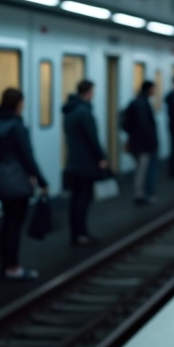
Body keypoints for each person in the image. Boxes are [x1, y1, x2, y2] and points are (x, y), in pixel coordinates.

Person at [0, 88, 48, 282]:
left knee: (6, 223)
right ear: (18, 104)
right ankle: (13, 267)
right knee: (14, 225)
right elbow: (27, 156)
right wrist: (42, 180)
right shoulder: (17, 127)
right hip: (16, 181)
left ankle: (4, 266)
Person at [62, 80, 107, 247]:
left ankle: (76, 233)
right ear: (88, 92)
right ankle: (81, 233)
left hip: (73, 161)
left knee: (75, 199)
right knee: (84, 198)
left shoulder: (70, 111)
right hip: (86, 163)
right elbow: (92, 138)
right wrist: (101, 158)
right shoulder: (84, 112)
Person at [124, 80, 159, 205]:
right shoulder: (143, 104)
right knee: (142, 170)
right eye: (153, 89)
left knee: (140, 169)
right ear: (148, 89)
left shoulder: (134, 102)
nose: (154, 91)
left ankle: (141, 194)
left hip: (136, 142)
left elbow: (126, 124)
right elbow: (146, 126)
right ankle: (141, 195)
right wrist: (152, 143)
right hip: (143, 144)